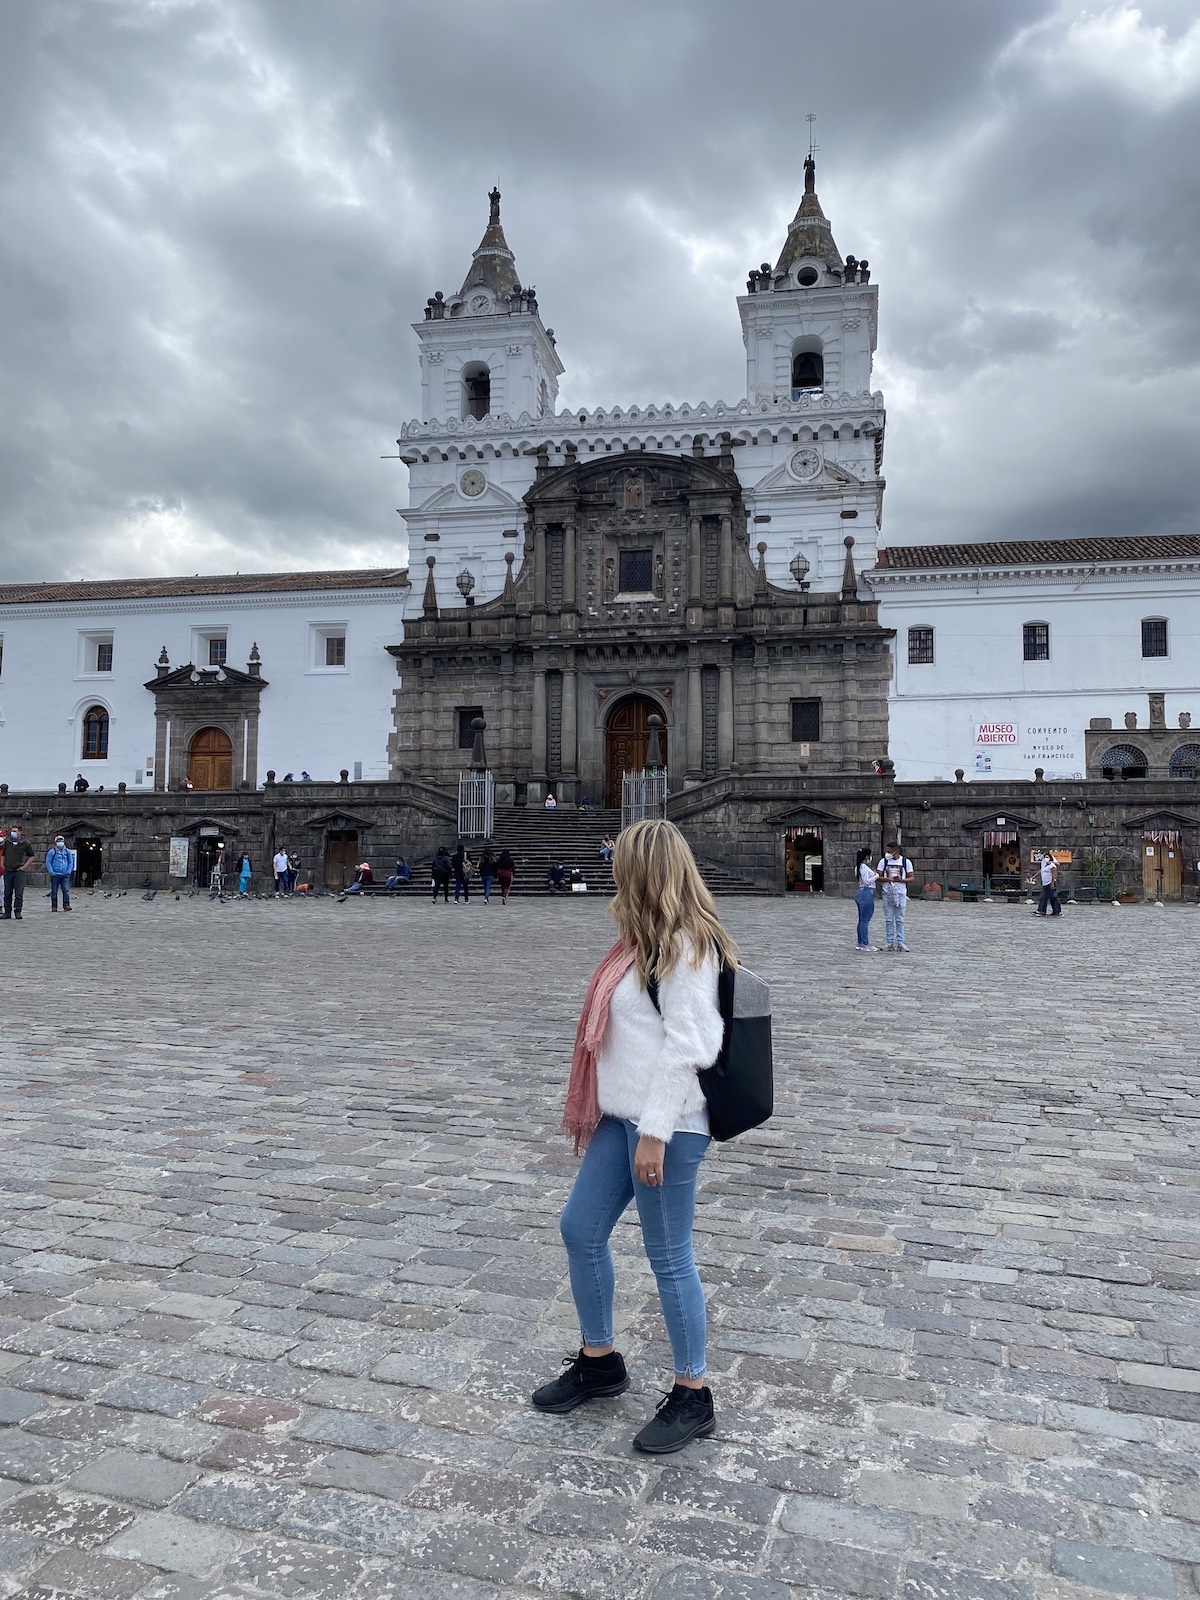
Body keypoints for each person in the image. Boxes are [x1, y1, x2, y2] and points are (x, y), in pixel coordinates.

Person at [531, 818, 735, 1455]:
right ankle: (600, 1360)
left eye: (621, 865)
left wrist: (655, 1133)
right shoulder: (636, 943)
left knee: (669, 1254)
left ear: (644, 872)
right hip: (620, 1118)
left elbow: (690, 1048)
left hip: (667, 1126)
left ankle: (693, 1393)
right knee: (579, 1229)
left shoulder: (688, 945)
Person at [876, 841, 914, 951]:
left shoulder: (906, 862)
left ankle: (901, 942)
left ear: (895, 852)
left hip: (900, 892)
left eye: (888, 852)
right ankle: (890, 942)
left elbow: (911, 877)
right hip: (887, 892)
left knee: (900, 918)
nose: (886, 854)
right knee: (889, 919)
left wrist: (902, 880)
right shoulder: (883, 862)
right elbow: (878, 876)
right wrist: (887, 879)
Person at [2, 826, 36, 920]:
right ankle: (7, 912)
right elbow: (3, 854)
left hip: (19, 871)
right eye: (12, 831)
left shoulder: (25, 844)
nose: (13, 833)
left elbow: (32, 856)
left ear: (20, 832)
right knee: (7, 893)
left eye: (15, 831)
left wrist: (25, 866)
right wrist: (2, 864)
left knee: (19, 893)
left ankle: (18, 911)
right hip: (8, 870)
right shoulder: (7, 843)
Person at [854, 849, 879, 950]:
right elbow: (866, 881)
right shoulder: (863, 867)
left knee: (861, 920)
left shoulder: (858, 867)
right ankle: (865, 943)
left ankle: (860, 942)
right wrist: (876, 876)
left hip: (861, 893)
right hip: (866, 893)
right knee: (865, 920)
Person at [45, 835, 74, 913]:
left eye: (61, 841)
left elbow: (71, 861)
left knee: (66, 890)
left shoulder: (67, 851)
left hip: (65, 874)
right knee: (54, 891)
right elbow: (48, 862)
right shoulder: (52, 851)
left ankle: (66, 905)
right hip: (55, 874)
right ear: (55, 842)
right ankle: (54, 906)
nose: (60, 843)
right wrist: (51, 871)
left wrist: (69, 871)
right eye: (58, 841)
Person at [1035, 851, 1062, 918]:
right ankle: (1042, 911)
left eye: (1047, 857)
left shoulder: (1052, 865)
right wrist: (1034, 876)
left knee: (1053, 898)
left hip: (1050, 883)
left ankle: (1057, 911)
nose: (1046, 858)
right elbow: (1041, 871)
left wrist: (1052, 883)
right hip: (1045, 884)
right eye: (1045, 857)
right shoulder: (1044, 865)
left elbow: (1054, 874)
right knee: (1043, 897)